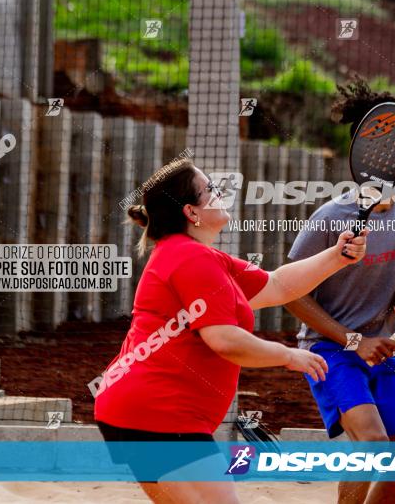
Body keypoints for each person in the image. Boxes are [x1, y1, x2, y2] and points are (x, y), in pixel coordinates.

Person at [93, 157, 368, 504]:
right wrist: (288, 355)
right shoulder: (192, 258)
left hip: (139, 409)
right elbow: (223, 338)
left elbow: (278, 285)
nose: (221, 194)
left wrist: (337, 256)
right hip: (156, 413)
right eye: (210, 190)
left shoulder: (200, 257)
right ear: (192, 212)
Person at [285, 81, 395, 504]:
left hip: (382, 350)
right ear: (361, 151)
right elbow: (290, 293)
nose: (394, 153)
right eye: (383, 143)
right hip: (332, 351)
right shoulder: (331, 217)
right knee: (372, 447)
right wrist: (355, 341)